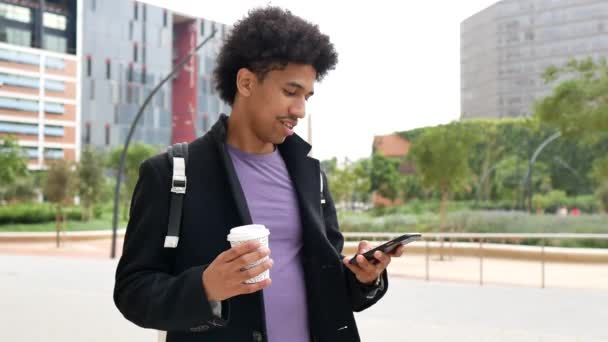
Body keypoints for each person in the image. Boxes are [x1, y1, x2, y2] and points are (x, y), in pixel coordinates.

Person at [114, 7, 405, 342]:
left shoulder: (311, 173)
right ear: (247, 82)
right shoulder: (170, 173)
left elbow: (331, 284)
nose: (300, 110)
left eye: (306, 96)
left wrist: (364, 277)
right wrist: (206, 286)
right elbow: (132, 292)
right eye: (290, 92)